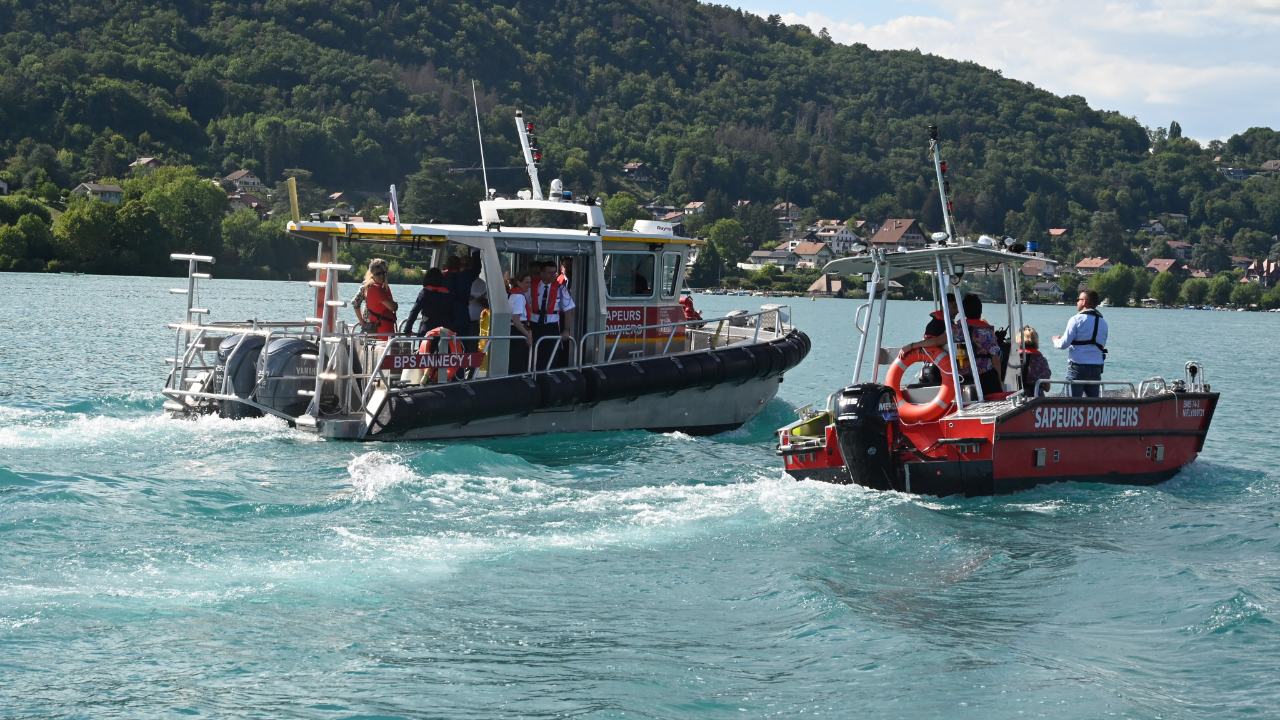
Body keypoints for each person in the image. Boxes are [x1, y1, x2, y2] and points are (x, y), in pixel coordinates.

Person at [901, 293, 1001, 396]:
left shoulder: (955, 330)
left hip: (964, 379)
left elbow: (935, 341)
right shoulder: (989, 332)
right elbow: (996, 362)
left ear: (963, 311)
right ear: (980, 311)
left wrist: (911, 345)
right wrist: (1000, 383)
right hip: (987, 378)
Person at [1053, 290, 1108, 398]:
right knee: (1093, 404)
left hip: (1077, 367)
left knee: (1072, 404)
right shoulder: (1103, 322)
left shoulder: (1076, 319)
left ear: (1084, 302)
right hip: (1096, 367)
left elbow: (1064, 344)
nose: (1077, 302)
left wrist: (1056, 340)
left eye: (1078, 299)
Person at [528, 260, 575, 369]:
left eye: (554, 272)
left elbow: (568, 311)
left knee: (551, 355)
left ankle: (549, 375)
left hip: (551, 326)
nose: (553, 275)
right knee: (533, 354)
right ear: (542, 273)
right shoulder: (531, 287)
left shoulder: (561, 289)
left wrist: (566, 330)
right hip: (534, 325)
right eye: (549, 273)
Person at [351, 258, 398, 339]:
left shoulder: (384, 286)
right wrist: (362, 321)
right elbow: (355, 302)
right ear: (372, 273)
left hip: (384, 322)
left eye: (384, 272)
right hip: (371, 323)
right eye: (378, 273)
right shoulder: (367, 286)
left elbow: (392, 307)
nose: (382, 276)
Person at [403, 267, 452, 336]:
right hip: (445, 329)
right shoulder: (447, 294)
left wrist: (407, 329)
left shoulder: (425, 292)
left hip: (427, 328)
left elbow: (415, 311)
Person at [507, 271, 534, 374]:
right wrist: (527, 334)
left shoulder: (510, 294)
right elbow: (516, 320)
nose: (529, 285)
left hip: (511, 328)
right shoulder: (519, 297)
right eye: (526, 282)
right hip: (517, 330)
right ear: (519, 282)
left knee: (513, 359)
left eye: (530, 282)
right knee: (519, 360)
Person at [1017, 326, 1052, 397]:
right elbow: (1047, 388)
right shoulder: (1042, 360)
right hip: (1037, 397)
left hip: (1019, 397)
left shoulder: (1015, 359)